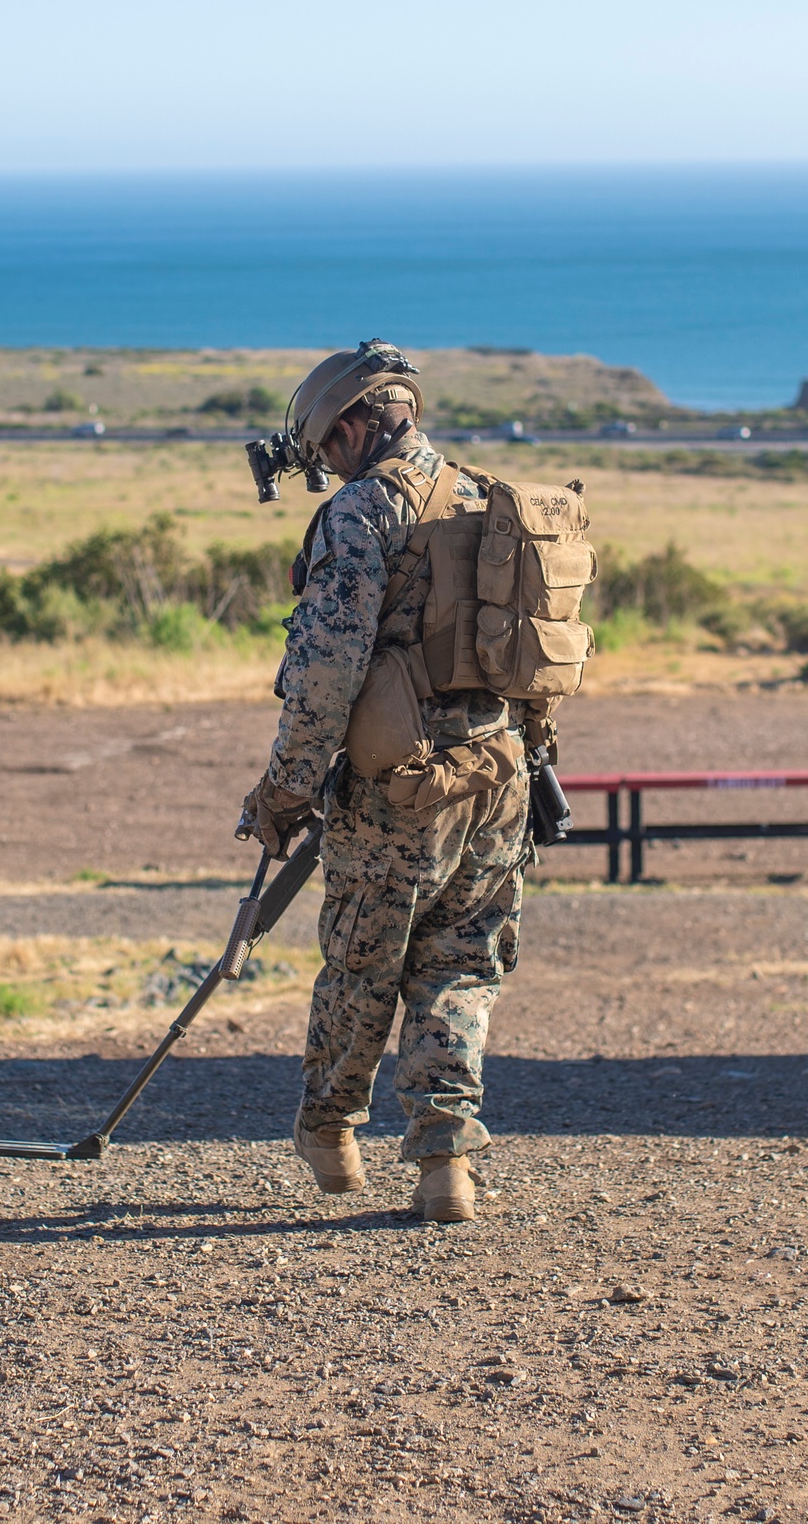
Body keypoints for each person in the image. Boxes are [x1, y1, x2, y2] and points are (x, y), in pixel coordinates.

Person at [239, 344, 544, 1224]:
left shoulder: (359, 515)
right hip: (499, 778)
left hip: (398, 790)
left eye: (327, 446)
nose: (324, 464)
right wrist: (535, 760)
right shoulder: (493, 500)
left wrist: (284, 794)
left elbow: (324, 674)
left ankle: (330, 1134)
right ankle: (446, 1163)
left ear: (354, 425)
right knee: (459, 969)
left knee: (364, 965)